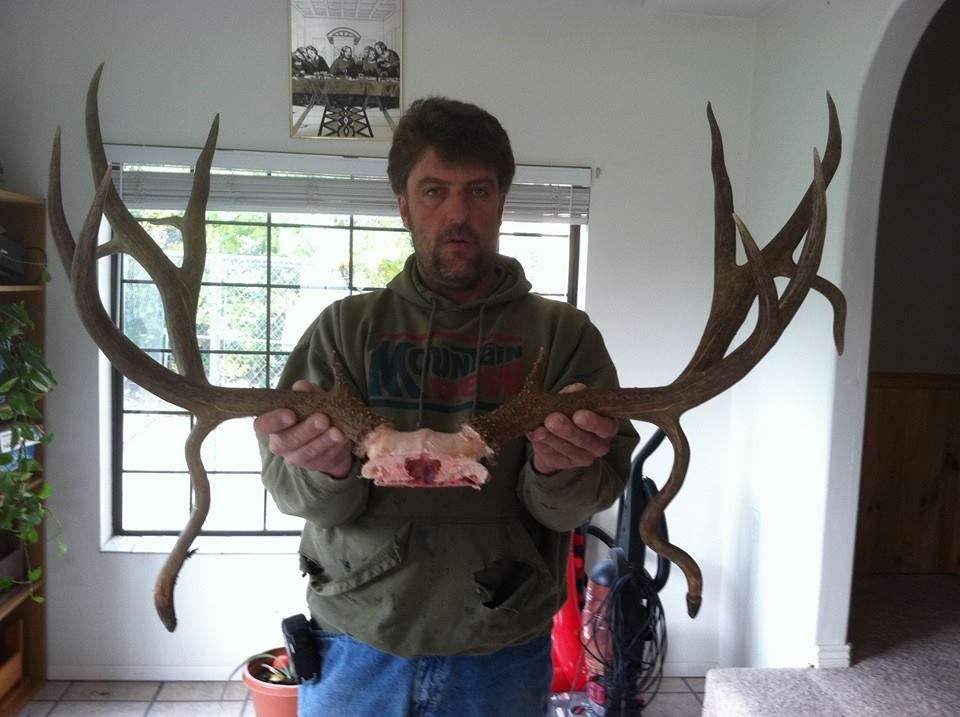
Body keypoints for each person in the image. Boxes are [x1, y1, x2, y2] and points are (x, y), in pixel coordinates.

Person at [255, 97, 637, 716]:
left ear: (502, 201)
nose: (458, 214)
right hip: (358, 640)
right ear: (403, 204)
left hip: (498, 647)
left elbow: (571, 506)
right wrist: (319, 467)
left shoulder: (564, 338)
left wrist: (558, 467)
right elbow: (297, 496)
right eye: (434, 192)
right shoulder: (344, 331)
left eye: (478, 191)